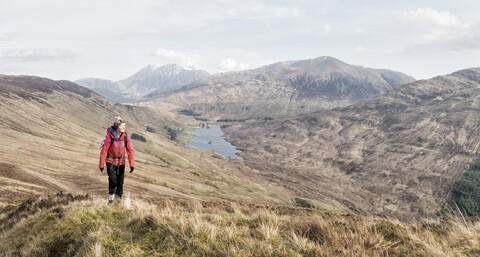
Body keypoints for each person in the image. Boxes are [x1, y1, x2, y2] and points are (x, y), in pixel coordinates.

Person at [99, 116, 135, 203]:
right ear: (117, 126)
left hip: (121, 162)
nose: (124, 128)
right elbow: (104, 151)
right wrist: (101, 164)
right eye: (122, 126)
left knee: (120, 182)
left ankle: (119, 201)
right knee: (112, 179)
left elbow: (130, 150)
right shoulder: (110, 136)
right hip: (110, 161)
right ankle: (111, 199)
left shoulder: (126, 136)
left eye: (124, 126)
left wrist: (132, 164)